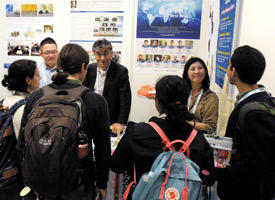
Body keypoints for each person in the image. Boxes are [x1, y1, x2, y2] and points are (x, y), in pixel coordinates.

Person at [17, 43, 111, 200]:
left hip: (42, 181)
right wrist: (102, 184)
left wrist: (31, 179)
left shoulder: (37, 96)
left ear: (59, 65)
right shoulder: (95, 101)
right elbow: (103, 151)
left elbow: (22, 144)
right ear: (83, 66)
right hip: (79, 185)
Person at [110, 75, 214, 199]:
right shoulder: (198, 140)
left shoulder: (137, 133)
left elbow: (117, 165)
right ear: (185, 101)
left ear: (157, 101)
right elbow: (209, 178)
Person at [212, 45, 275, 200]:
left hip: (246, 192)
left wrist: (221, 173)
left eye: (228, 65)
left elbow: (255, 163)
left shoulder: (253, 112)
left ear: (234, 71)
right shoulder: (262, 100)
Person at [1, 59, 40, 200]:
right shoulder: (24, 108)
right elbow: (27, 150)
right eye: (37, 75)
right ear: (28, 80)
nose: (40, 78)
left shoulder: (4, 103)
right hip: (17, 181)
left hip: (4, 175)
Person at [84, 39, 131, 135]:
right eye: (98, 54)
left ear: (111, 54)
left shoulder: (121, 71)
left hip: (112, 121)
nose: (102, 58)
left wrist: (121, 122)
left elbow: (125, 100)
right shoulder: (90, 69)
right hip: (91, 118)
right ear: (94, 54)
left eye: (105, 54)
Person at [182, 57, 218, 134]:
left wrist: (188, 124)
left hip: (198, 139)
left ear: (205, 72)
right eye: (192, 69)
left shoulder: (211, 97)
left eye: (200, 68)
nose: (197, 71)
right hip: (180, 136)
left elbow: (210, 127)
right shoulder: (182, 92)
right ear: (187, 74)